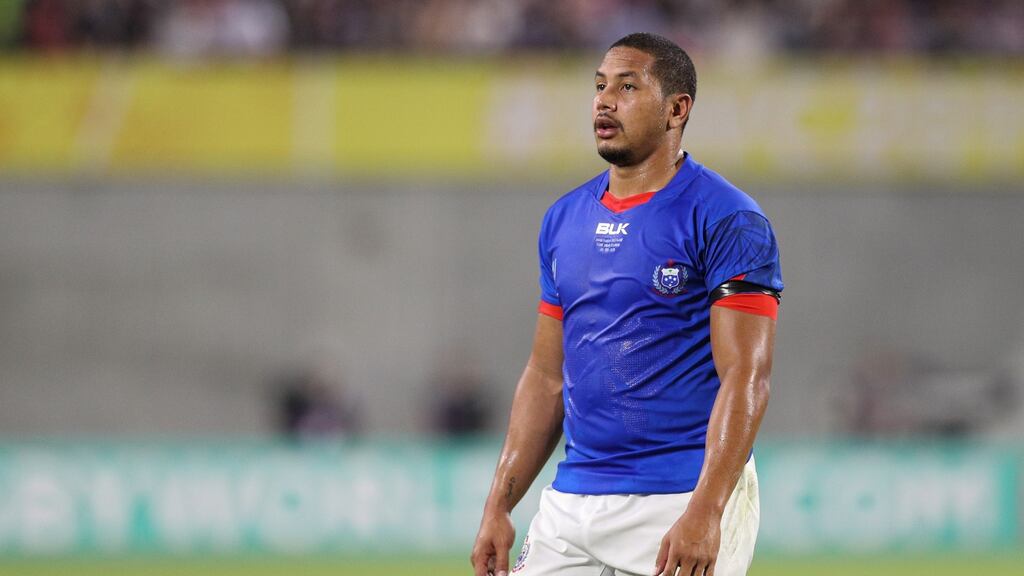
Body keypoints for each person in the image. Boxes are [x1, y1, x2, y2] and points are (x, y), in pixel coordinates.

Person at [471, 32, 783, 576]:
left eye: (628, 86)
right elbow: (545, 376)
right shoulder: (563, 220)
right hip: (572, 501)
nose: (604, 100)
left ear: (676, 109)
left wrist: (707, 511)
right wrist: (499, 505)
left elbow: (745, 376)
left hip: (678, 499)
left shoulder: (728, 218)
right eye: (598, 86)